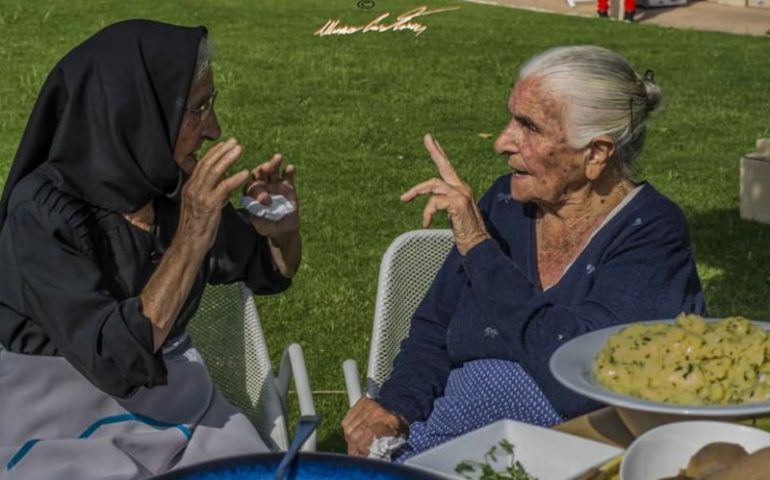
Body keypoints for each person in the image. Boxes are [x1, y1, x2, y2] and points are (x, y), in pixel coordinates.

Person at [342, 45, 705, 460]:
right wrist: (396, 410)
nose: (501, 142)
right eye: (511, 118)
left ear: (596, 155)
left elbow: (585, 383)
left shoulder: (651, 234)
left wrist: (481, 251)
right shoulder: (504, 203)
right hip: (443, 451)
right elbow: (434, 330)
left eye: (529, 127)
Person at [0, 20, 300, 479]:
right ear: (138, 110)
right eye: (199, 108)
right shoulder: (42, 215)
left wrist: (281, 232)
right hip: (59, 420)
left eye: (210, 104)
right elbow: (111, 360)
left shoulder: (168, 188)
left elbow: (269, 271)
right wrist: (193, 235)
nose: (213, 129)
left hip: (176, 406)